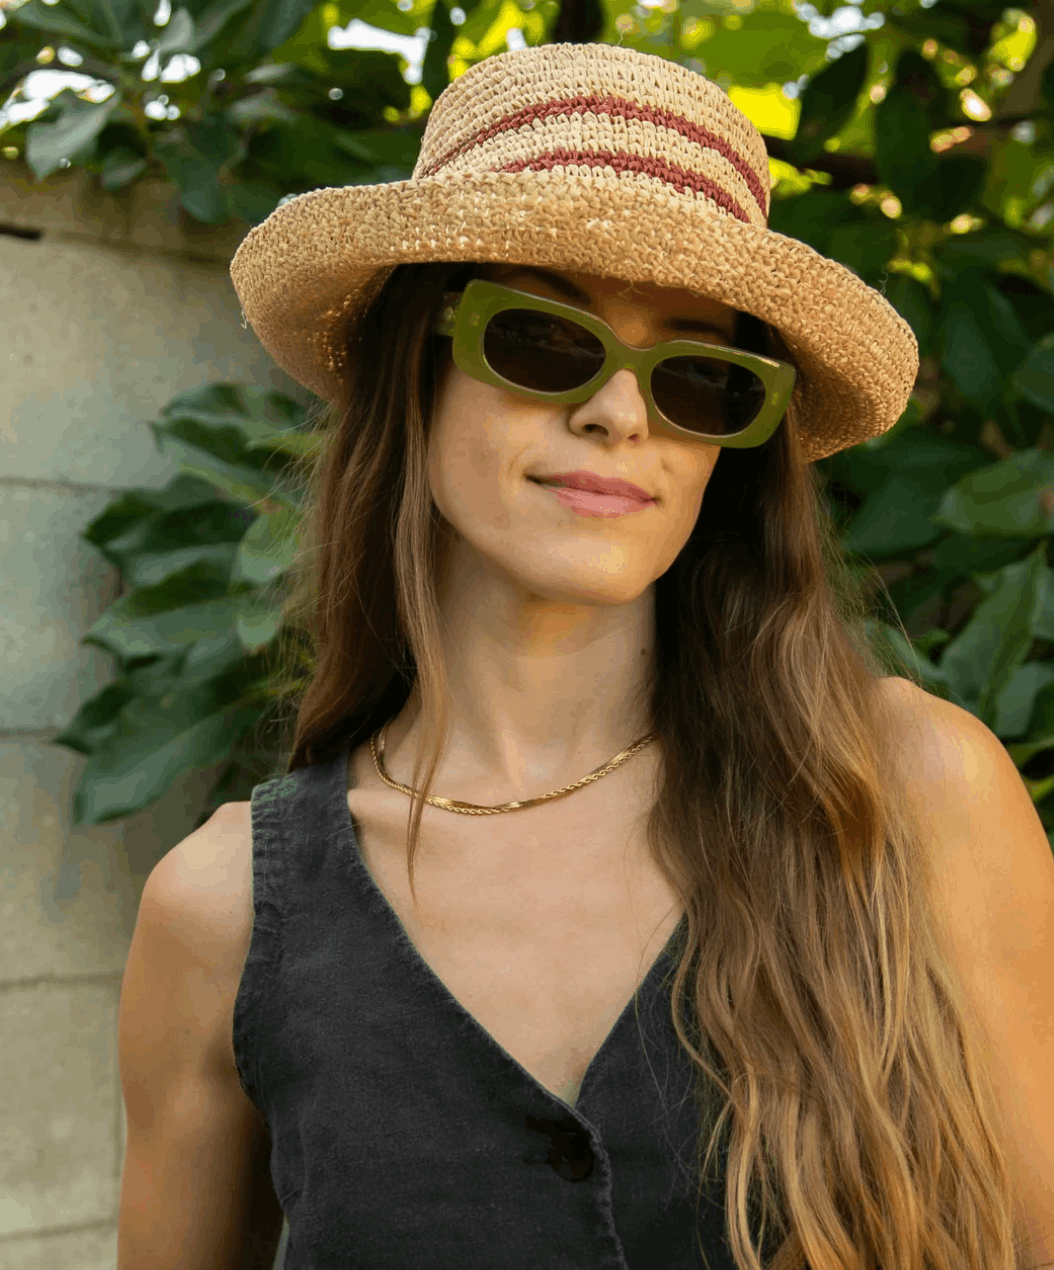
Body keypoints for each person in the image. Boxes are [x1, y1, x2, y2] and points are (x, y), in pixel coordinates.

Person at [115, 41, 1054, 1270]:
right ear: (414, 369)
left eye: (698, 376)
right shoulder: (221, 912)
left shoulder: (905, 794)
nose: (619, 412)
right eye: (541, 339)